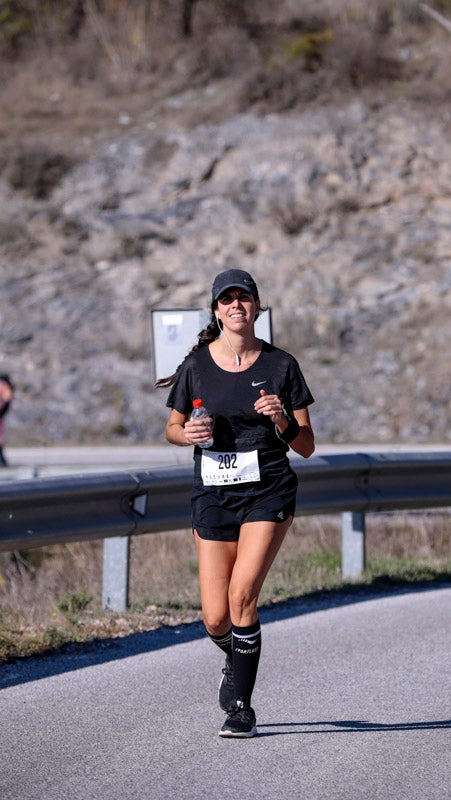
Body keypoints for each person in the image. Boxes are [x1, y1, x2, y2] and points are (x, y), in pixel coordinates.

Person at [156, 268, 315, 738]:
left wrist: (282, 419)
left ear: (258, 308)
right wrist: (187, 433)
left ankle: (241, 708)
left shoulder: (281, 365)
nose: (236, 306)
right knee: (215, 616)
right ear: (216, 310)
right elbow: (171, 428)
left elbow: (305, 444)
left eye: (244, 298)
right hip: (213, 495)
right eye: (227, 299)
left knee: (243, 596)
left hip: (268, 491)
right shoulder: (197, 366)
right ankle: (236, 659)